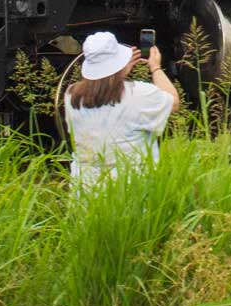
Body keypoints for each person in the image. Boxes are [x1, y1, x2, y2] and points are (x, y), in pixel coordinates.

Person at [60, 30, 181, 188]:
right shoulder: (138, 94)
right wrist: (155, 68)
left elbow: (102, 86)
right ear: (119, 63)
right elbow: (174, 102)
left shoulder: (71, 95)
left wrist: (119, 68)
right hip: (130, 192)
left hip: (85, 193)